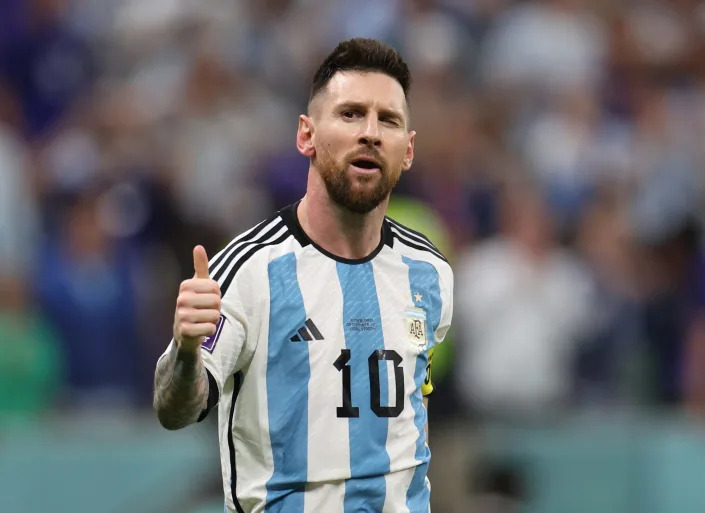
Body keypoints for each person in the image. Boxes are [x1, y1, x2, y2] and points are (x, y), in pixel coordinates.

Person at [153, 38, 453, 513]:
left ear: (408, 150)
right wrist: (187, 353)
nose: (371, 133)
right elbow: (175, 408)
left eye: (388, 120)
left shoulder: (430, 273)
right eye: (351, 114)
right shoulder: (249, 271)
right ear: (306, 136)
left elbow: (414, 422)